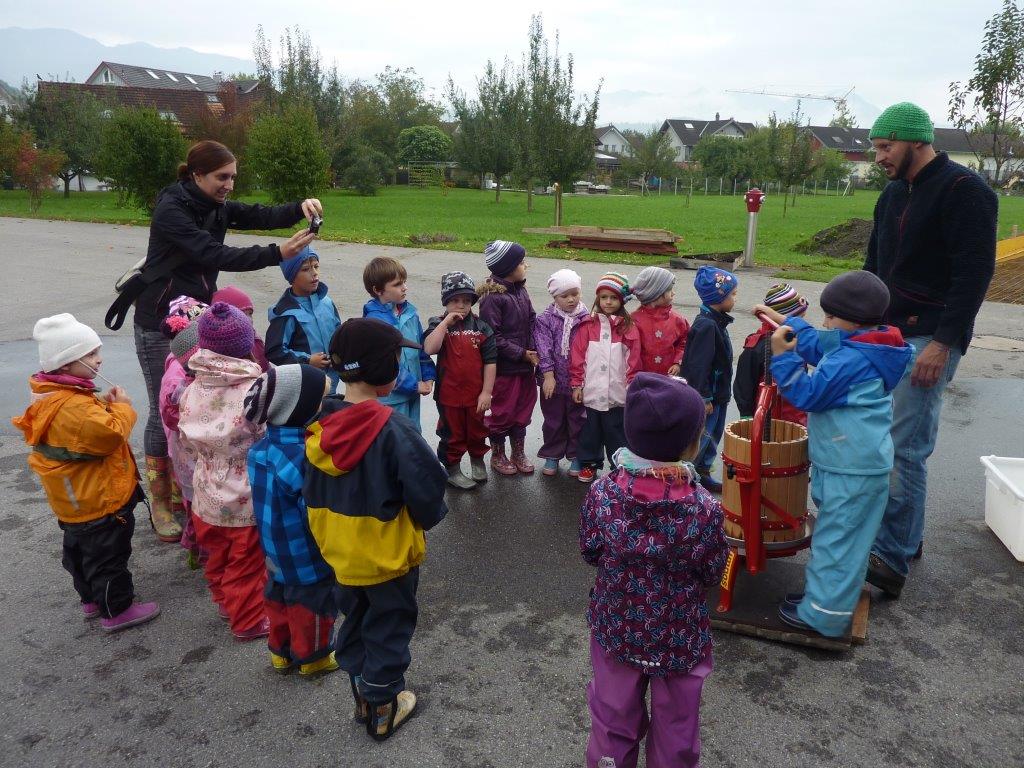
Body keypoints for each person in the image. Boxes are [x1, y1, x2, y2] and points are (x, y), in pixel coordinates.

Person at [134, 139, 321, 544]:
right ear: (197, 175)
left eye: (233, 177)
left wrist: (298, 208)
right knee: (164, 406)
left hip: (199, 319)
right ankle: (162, 502)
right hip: (159, 322)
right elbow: (215, 254)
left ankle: (198, 486)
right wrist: (277, 253)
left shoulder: (213, 203)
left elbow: (257, 213)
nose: (229, 185)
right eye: (222, 177)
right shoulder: (172, 209)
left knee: (205, 402)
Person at [863, 102, 998, 597]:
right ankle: (905, 535)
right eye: (876, 148)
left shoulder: (965, 191)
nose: (879, 156)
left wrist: (942, 343)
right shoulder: (893, 194)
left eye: (886, 146)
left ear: (917, 140)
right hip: (886, 333)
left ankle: (891, 558)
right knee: (879, 441)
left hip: (929, 338)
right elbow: (874, 264)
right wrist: (859, 325)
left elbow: (974, 274)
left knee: (904, 448)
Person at [304, 318, 448, 741]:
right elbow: (427, 485)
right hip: (386, 557)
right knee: (389, 626)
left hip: (340, 553)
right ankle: (383, 706)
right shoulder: (393, 428)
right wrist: (425, 518)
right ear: (383, 369)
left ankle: (362, 696)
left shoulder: (320, 424)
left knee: (355, 619)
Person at [580, 373, 728, 768]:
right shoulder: (704, 508)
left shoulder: (603, 492)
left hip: (617, 625)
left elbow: (591, 550)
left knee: (612, 719)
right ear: (692, 443)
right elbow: (712, 570)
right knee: (677, 726)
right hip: (679, 633)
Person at [761, 271, 913, 636]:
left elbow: (808, 393)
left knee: (838, 543)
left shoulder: (850, 361)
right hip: (851, 462)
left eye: (830, 316)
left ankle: (823, 616)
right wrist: (790, 322)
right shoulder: (870, 344)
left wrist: (783, 357)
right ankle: (822, 597)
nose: (825, 322)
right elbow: (822, 345)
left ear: (854, 321)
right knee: (840, 537)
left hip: (851, 467)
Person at [12, 314, 160, 632]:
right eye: (90, 354)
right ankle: (117, 609)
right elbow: (109, 434)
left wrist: (102, 405)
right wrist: (121, 408)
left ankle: (91, 598)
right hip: (98, 499)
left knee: (79, 552)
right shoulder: (73, 407)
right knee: (109, 557)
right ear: (66, 363)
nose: (99, 359)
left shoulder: (55, 394)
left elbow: (81, 429)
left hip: (75, 499)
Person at [178, 302, 268, 641]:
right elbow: (264, 435)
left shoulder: (192, 387)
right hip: (244, 492)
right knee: (246, 561)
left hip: (206, 489)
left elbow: (186, 438)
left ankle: (225, 602)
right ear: (246, 344)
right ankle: (247, 620)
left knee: (216, 555)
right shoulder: (254, 389)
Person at [245, 364, 340, 676]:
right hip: (304, 553)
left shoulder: (259, 449)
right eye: (320, 400)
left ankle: (281, 653)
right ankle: (313, 658)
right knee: (311, 606)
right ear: (301, 408)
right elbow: (311, 511)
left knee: (278, 600)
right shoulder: (302, 456)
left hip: (273, 547)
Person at [422, 272, 498, 490]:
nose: (461, 305)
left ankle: (477, 459)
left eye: (466, 300)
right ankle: (452, 469)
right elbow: (429, 348)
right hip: (448, 396)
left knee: (477, 430)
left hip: (476, 396)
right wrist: (446, 322)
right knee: (452, 434)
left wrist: (486, 392)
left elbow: (490, 362)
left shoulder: (482, 327)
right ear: (445, 302)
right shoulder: (438, 323)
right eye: (455, 300)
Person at [569, 272, 642, 484]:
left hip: (617, 393)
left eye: (613, 297)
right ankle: (589, 464)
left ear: (621, 300)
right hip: (592, 391)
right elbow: (578, 357)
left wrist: (631, 387)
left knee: (616, 432)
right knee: (590, 431)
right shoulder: (587, 326)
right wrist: (577, 384)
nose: (608, 302)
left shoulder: (628, 327)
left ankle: (619, 466)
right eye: (603, 297)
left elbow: (633, 360)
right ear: (597, 299)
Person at [478, 240, 538, 475]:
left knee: (523, 410)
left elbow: (532, 320)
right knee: (503, 411)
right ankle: (498, 453)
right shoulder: (493, 297)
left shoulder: (520, 290)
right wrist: (520, 353)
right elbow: (492, 335)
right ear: (508, 267)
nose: (525, 265)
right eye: (521, 262)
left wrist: (534, 347)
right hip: (506, 368)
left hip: (525, 366)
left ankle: (518, 451)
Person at [681, 266, 739, 493]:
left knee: (713, 436)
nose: (735, 299)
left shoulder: (716, 321)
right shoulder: (706, 326)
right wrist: (704, 397)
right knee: (702, 437)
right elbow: (698, 366)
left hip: (719, 395)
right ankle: (687, 478)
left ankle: (703, 472)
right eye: (733, 294)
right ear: (719, 297)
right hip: (709, 397)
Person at [361, 256, 437, 430]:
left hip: (413, 394)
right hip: (391, 399)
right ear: (378, 290)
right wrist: (413, 385)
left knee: (413, 435)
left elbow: (421, 349)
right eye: (397, 284)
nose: (404, 288)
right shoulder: (374, 322)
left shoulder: (410, 314)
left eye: (404, 282)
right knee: (396, 439)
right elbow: (382, 363)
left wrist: (428, 377)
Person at [158, 301, 206, 565]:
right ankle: (197, 550)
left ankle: (199, 550)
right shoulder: (179, 376)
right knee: (196, 504)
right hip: (189, 454)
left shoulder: (183, 364)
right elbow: (172, 416)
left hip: (194, 453)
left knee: (199, 502)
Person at [534, 269, 589, 477]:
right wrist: (548, 376)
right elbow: (543, 348)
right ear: (554, 297)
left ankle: (576, 455)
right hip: (553, 382)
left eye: (575, 293)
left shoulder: (586, 319)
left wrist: (582, 380)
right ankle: (553, 453)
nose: (571, 299)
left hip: (578, 381)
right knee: (553, 419)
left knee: (578, 420)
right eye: (564, 296)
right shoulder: (546, 319)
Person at [266, 245, 342, 393]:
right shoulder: (286, 312)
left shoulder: (327, 303)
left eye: (316, 266)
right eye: (306, 269)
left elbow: (339, 334)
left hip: (331, 385)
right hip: (304, 388)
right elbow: (275, 350)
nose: (314, 273)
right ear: (292, 276)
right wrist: (307, 361)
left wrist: (339, 355)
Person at [734, 283, 810, 426]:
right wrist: (746, 415)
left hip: (796, 418)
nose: (802, 324)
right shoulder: (760, 346)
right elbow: (744, 383)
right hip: (767, 420)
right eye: (799, 319)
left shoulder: (797, 340)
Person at [630, 266, 690, 377]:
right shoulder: (634, 320)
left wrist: (678, 362)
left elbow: (685, 342)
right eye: (670, 290)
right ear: (657, 294)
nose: (673, 293)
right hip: (643, 378)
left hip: (668, 377)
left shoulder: (677, 320)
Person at [213, 285, 269, 371]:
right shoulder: (220, 351)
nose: (249, 320)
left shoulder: (256, 340)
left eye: (250, 314)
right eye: (242, 315)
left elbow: (266, 368)